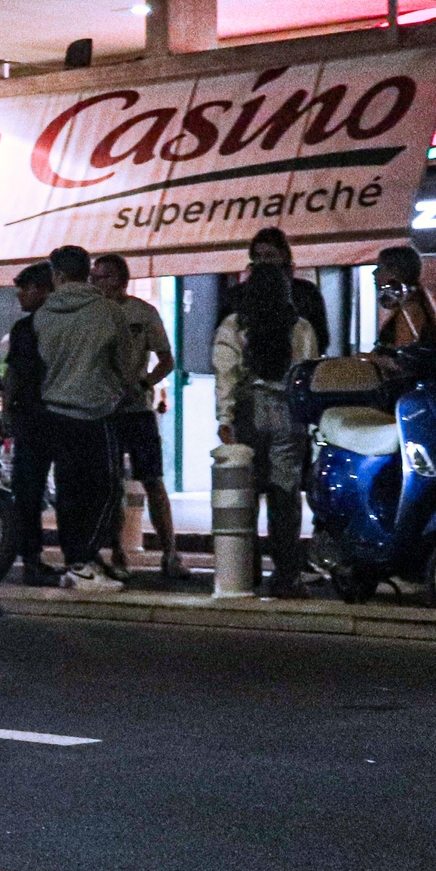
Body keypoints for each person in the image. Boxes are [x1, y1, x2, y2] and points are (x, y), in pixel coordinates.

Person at [33, 245, 143, 593]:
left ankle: (75, 560)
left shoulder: (42, 315)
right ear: (87, 273)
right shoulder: (108, 312)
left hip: (55, 413)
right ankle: (85, 559)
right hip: (98, 413)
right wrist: (128, 391)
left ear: (57, 275)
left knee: (68, 491)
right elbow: (124, 367)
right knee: (106, 490)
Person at [213, 261, 319, 598]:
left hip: (249, 412)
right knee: (285, 497)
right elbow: (307, 373)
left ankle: (246, 570)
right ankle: (287, 575)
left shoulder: (235, 325)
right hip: (289, 414)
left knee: (245, 496)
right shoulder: (300, 328)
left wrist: (225, 419)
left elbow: (225, 374)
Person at [93, 253, 187, 582]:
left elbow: (166, 360)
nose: (98, 282)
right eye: (95, 277)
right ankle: (118, 553)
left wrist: (145, 383)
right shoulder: (90, 315)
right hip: (104, 410)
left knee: (153, 481)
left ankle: (170, 553)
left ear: (121, 279)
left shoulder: (142, 313)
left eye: (104, 276)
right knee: (111, 484)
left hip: (137, 409)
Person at [1, 262, 59, 586]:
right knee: (64, 490)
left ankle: (33, 560)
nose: (20, 295)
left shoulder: (26, 329)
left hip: (33, 418)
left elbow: (14, 375)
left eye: (24, 289)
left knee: (28, 491)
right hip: (61, 414)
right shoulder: (63, 325)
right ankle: (70, 560)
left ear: (41, 289)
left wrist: (7, 412)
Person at [249, 228, 332, 355]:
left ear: (284, 256)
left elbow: (320, 338)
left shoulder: (307, 293)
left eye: (270, 256)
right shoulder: (240, 294)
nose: (263, 262)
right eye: (258, 256)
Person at [373, 243, 436, 351]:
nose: (374, 273)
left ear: (395, 272)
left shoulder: (410, 308)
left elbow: (403, 354)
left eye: (380, 267)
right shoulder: (415, 302)